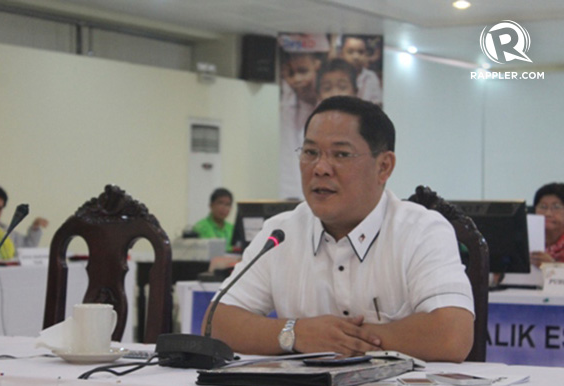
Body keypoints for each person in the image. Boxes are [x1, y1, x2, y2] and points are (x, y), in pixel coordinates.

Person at [204, 96, 474, 362]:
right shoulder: (280, 233)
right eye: (310, 152)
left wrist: (339, 340)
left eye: (341, 154)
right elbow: (216, 322)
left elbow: (452, 335)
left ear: (384, 166)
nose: (320, 168)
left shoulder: (422, 231)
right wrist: (296, 334)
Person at [279, 51, 322, 199]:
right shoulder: (288, 107)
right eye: (290, 74)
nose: (297, 79)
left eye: (303, 71)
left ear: (317, 66)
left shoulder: (325, 108)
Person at [339, 36, 383, 106]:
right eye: (350, 52)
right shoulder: (335, 75)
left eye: (361, 52)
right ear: (341, 54)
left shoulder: (371, 77)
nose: (356, 57)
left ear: (366, 54)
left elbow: (377, 104)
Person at [530, 182, 564, 267]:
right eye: (543, 207)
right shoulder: (526, 241)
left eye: (556, 207)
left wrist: (552, 266)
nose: (548, 213)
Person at [193, 188, 234, 252]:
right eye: (220, 203)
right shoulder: (201, 227)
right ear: (211, 205)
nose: (224, 208)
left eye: (227, 205)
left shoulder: (232, 228)